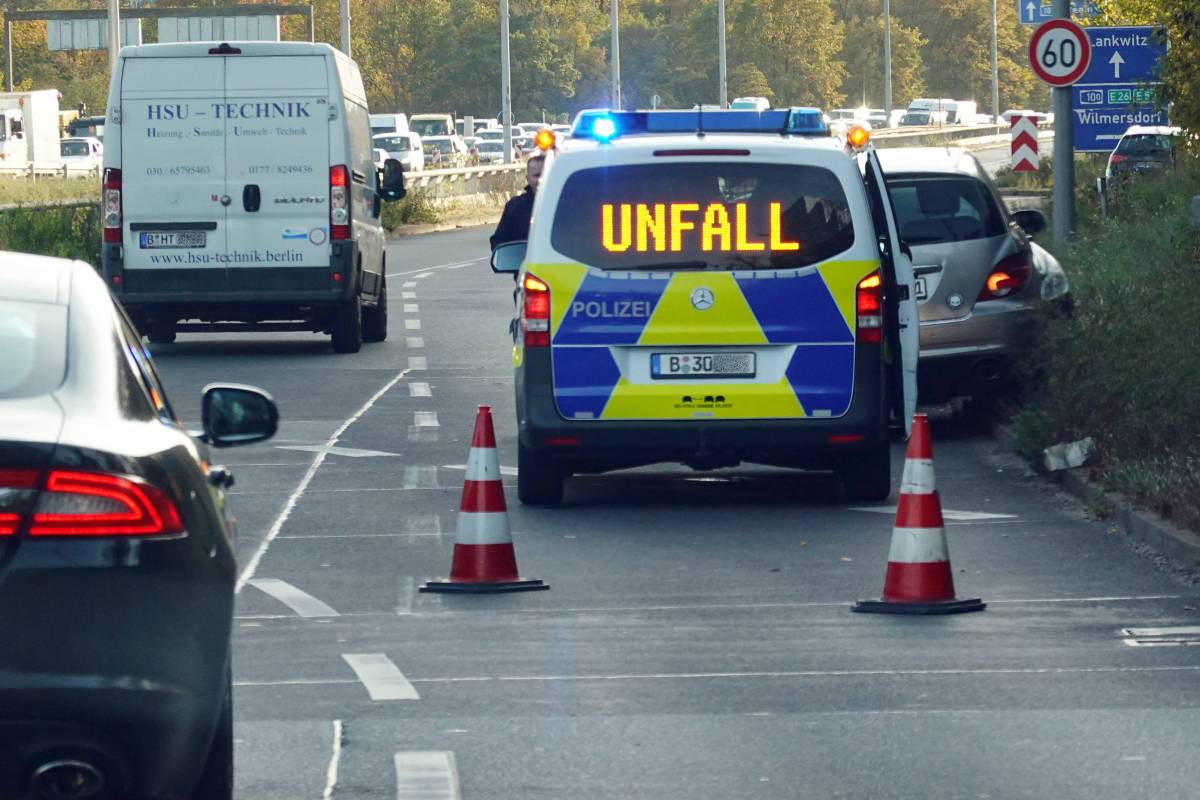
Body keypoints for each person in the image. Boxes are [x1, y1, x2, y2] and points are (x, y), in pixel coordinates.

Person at [489, 153, 544, 250]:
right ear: (528, 179)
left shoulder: (565, 205)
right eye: (536, 175)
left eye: (544, 174)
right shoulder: (515, 207)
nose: (540, 180)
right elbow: (499, 242)